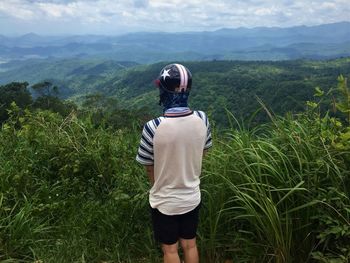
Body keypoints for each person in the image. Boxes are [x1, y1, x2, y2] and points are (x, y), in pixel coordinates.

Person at [136, 63, 212, 263]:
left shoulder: (153, 127)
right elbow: (202, 154)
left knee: (170, 250)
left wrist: (157, 187)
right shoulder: (202, 119)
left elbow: (149, 167)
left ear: (163, 89)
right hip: (192, 196)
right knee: (190, 244)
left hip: (164, 201)